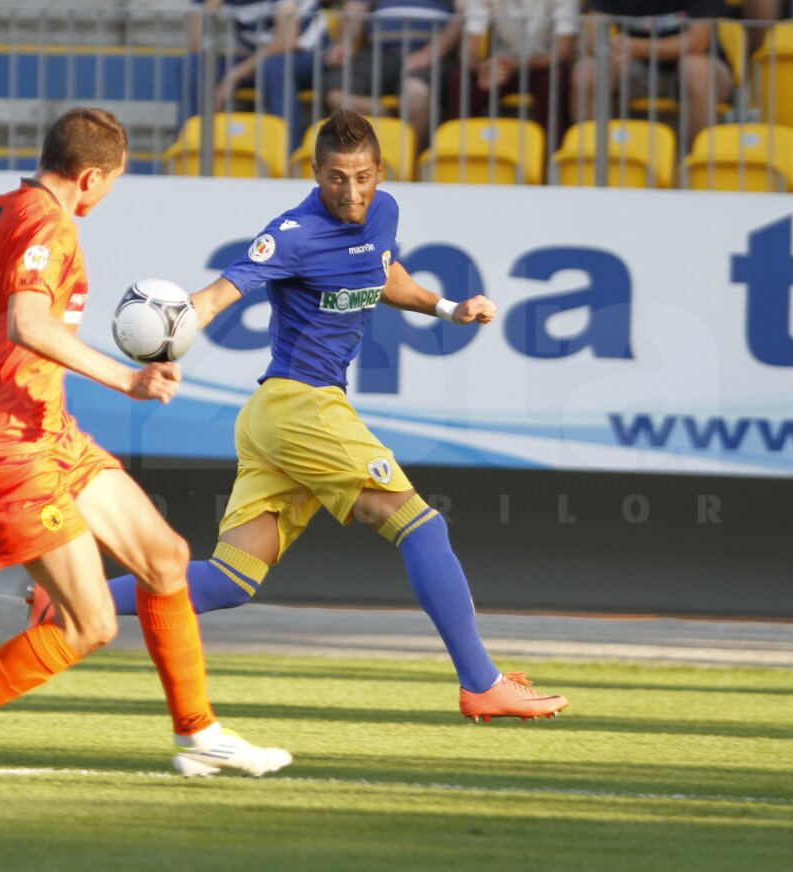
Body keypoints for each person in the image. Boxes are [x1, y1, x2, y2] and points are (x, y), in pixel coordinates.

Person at [31, 110, 570, 724]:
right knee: (422, 528)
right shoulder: (291, 234)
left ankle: (63, 599)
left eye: (363, 177)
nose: (352, 192)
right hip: (302, 405)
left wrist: (448, 308)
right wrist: (166, 332)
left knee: (230, 581)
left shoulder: (384, 212)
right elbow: (216, 296)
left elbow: (382, 271)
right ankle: (482, 682)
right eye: (337, 178)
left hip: (274, 417)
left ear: (380, 173)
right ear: (315, 174)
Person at [0, 107, 291, 785]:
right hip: (8, 445)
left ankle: (201, 734)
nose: (107, 197)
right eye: (112, 184)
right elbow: (27, 322)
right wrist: (127, 379)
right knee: (90, 625)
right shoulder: (47, 222)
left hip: (49, 431)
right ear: (90, 177)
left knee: (165, 559)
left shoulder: (3, 209)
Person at [571, 1, 733, 144]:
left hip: (700, 71)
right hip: (636, 68)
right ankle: (588, 161)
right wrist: (611, 51)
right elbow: (595, 35)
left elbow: (698, 43)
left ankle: (702, 164)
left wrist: (637, 47)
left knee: (695, 68)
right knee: (587, 70)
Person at [186, 0, 327, 152]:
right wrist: (210, 7)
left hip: (310, 57)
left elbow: (287, 41)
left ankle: (286, 157)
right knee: (195, 64)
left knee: (274, 68)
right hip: (260, 61)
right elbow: (196, 46)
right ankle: (192, 150)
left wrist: (233, 76)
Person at [324, 0, 463, 147]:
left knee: (416, 92)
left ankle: (407, 163)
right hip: (378, 52)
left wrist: (431, 52)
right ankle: (385, 122)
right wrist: (346, 42)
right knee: (336, 93)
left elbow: (465, 15)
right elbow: (356, 9)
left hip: (434, 54)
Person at [448, 0, 578, 144]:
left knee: (556, 80)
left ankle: (551, 158)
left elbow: (564, 52)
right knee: (460, 79)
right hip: (504, 65)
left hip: (545, 65)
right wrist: (482, 68)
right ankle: (462, 152)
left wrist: (516, 64)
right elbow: (469, 48)